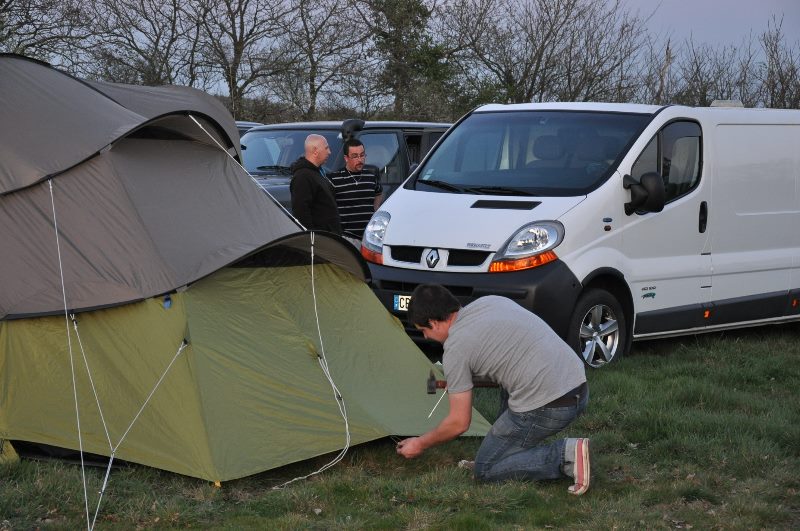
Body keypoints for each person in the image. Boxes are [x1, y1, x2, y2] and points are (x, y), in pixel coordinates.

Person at [396, 284, 591, 495]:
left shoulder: (456, 348)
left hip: (552, 406)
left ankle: (566, 455)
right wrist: (461, 381)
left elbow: (459, 423)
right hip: (577, 385)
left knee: (485, 471)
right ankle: (499, 455)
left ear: (434, 323)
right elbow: (501, 361)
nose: (425, 337)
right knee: (508, 399)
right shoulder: (489, 302)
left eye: (423, 330)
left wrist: (420, 443)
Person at [326, 138, 383, 245]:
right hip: (347, 237)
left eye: (362, 155)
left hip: (369, 237)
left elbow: (378, 193)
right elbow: (326, 206)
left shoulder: (371, 176)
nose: (360, 160)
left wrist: (375, 210)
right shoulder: (334, 179)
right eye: (355, 156)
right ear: (346, 158)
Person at [290, 134, 342, 234]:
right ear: (315, 150)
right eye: (326, 148)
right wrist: (313, 237)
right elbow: (301, 213)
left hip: (330, 236)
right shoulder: (303, 177)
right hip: (319, 239)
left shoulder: (318, 173)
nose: (329, 152)